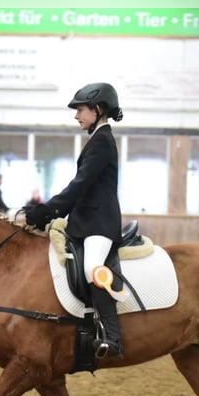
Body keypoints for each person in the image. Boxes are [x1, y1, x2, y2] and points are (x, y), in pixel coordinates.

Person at [25, 82, 125, 359]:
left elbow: (79, 185)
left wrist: (48, 210)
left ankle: (112, 336)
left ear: (98, 109)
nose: (76, 116)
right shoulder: (96, 139)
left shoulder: (103, 141)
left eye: (80, 110)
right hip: (85, 221)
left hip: (99, 223)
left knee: (93, 266)